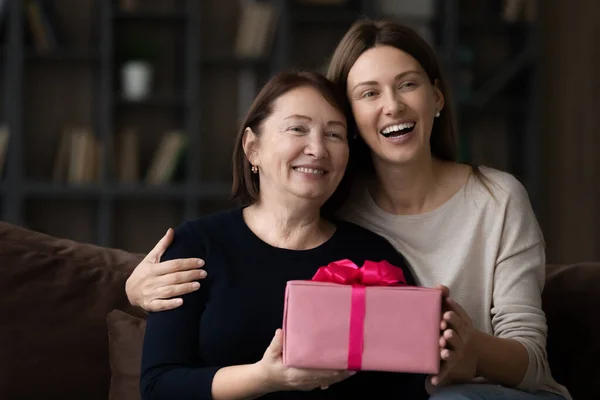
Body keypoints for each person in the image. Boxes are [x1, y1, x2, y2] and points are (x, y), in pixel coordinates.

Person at [128, 19, 572, 400]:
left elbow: (528, 356)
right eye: (368, 93)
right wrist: (129, 290)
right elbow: (163, 373)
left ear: (437, 98)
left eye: (408, 84)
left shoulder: (488, 201)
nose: (392, 105)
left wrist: (471, 350)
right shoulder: (331, 206)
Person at [138, 71, 429, 400]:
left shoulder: (375, 258)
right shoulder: (197, 245)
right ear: (253, 148)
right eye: (297, 128)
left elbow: (410, 388)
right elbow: (158, 386)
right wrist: (263, 378)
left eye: (335, 135)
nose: (318, 149)